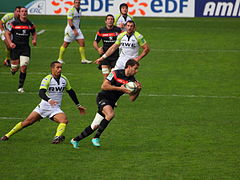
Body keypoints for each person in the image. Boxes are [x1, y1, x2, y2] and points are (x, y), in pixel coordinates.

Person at [0, 61, 86, 144]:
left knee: (64, 120)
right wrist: (49, 100)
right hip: (43, 107)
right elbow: (41, 93)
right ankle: (7, 135)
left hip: (55, 108)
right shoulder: (47, 79)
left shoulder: (64, 79)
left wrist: (78, 105)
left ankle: (57, 138)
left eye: (61, 67)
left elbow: (71, 91)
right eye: (57, 67)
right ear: (52, 69)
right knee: (27, 122)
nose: (60, 69)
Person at [70, 59, 141, 149]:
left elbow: (132, 99)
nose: (136, 71)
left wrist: (138, 90)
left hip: (111, 102)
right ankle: (96, 137)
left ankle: (75, 140)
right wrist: (120, 89)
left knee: (94, 126)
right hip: (103, 98)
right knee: (110, 114)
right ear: (129, 67)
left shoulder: (132, 81)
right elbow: (104, 86)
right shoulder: (115, 73)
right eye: (135, 68)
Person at [5, 7, 37, 93]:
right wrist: (10, 43)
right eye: (22, 11)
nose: (24, 13)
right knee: (15, 68)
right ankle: (13, 69)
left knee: (24, 66)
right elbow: (7, 33)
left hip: (25, 48)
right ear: (19, 13)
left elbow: (34, 32)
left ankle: (20, 87)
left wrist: (34, 39)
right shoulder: (13, 23)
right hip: (15, 47)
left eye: (25, 11)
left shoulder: (30, 24)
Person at [57, 0, 92, 64]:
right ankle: (59, 59)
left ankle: (83, 59)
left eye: (78, 2)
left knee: (82, 42)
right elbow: (70, 22)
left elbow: (78, 21)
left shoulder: (80, 10)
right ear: (74, 3)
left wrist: (78, 29)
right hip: (70, 30)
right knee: (66, 44)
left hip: (77, 29)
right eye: (76, 2)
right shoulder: (71, 11)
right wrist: (74, 30)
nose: (77, 4)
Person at [93, 14, 122, 79]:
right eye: (108, 19)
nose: (110, 21)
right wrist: (98, 49)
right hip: (104, 56)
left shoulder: (118, 30)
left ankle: (111, 87)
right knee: (106, 76)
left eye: (111, 19)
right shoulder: (101, 30)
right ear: (105, 21)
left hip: (115, 56)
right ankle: (107, 88)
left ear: (113, 21)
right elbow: (95, 42)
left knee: (113, 76)